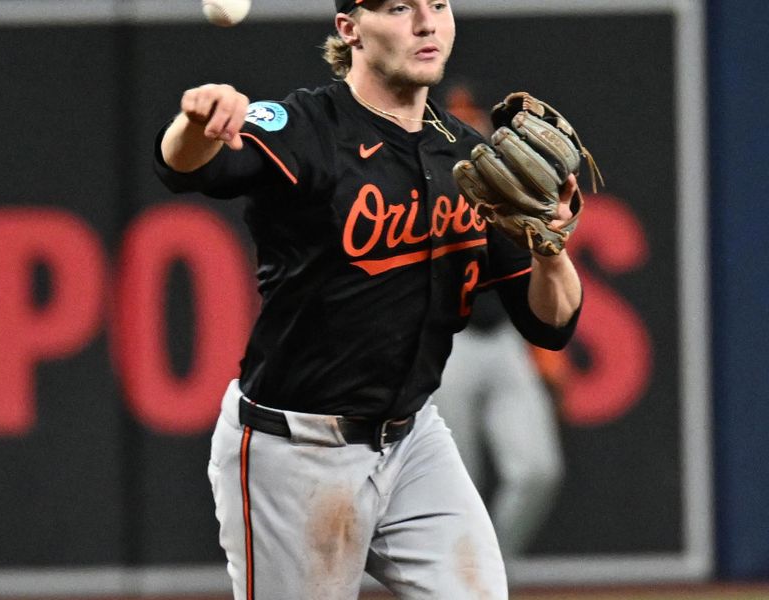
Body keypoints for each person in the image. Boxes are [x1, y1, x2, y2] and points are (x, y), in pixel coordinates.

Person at [154, 1, 582, 598]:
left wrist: (549, 247)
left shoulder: (467, 154)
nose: (427, 23)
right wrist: (199, 121)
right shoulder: (309, 126)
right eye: (400, 7)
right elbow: (186, 167)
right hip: (294, 450)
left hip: (413, 442)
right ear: (349, 28)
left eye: (438, 4)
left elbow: (551, 324)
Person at [433, 290, 566, 559]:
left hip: (507, 334)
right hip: (444, 334)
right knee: (456, 481)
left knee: (537, 472)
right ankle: (454, 577)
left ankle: (492, 566)